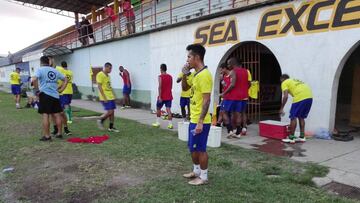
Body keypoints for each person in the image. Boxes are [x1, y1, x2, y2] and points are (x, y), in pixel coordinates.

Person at [182, 44, 213, 186]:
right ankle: (196, 171)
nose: (187, 59)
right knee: (192, 148)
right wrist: (184, 74)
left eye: (189, 56)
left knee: (200, 149)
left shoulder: (205, 75)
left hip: (201, 120)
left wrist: (200, 121)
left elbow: (207, 100)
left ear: (197, 57)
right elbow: (185, 88)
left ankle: (204, 177)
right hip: (193, 118)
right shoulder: (195, 74)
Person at [32, 56, 68, 141]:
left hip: (45, 94)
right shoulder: (55, 70)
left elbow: (34, 80)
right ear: (49, 61)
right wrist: (62, 89)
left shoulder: (40, 70)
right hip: (55, 95)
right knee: (57, 114)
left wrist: (37, 91)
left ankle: (47, 136)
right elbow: (65, 79)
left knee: (45, 115)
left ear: (41, 62)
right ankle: (59, 133)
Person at [279, 74, 313, 144]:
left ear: (282, 79)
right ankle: (302, 137)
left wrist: (281, 108)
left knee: (293, 117)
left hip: (300, 97)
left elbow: (285, 96)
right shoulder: (294, 81)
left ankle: (291, 138)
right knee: (301, 117)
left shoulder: (284, 83)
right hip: (309, 97)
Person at [225, 57, 251, 137]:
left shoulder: (233, 71)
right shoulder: (246, 71)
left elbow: (232, 85)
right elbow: (249, 83)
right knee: (242, 113)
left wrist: (224, 93)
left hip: (235, 96)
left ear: (233, 64)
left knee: (232, 113)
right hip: (244, 96)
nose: (228, 65)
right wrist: (244, 89)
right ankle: (242, 129)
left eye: (229, 63)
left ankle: (235, 130)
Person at [96, 62, 119, 132]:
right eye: (109, 68)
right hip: (105, 97)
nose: (111, 70)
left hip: (110, 96)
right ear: (105, 67)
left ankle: (111, 127)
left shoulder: (108, 76)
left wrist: (114, 95)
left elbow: (109, 86)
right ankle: (100, 120)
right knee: (110, 111)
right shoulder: (100, 74)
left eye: (111, 68)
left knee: (112, 112)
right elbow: (99, 86)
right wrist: (104, 97)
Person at [152, 64, 173, 129]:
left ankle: (158, 123)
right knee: (168, 110)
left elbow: (160, 87)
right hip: (169, 96)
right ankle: (170, 125)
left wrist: (160, 97)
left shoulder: (160, 77)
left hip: (162, 96)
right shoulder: (170, 76)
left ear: (161, 68)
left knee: (158, 108)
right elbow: (171, 86)